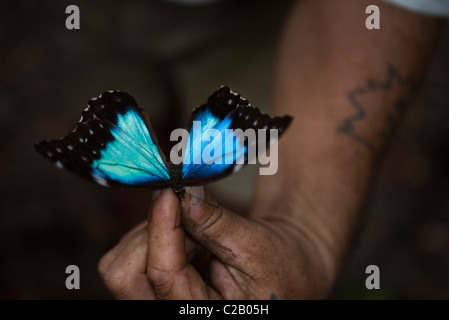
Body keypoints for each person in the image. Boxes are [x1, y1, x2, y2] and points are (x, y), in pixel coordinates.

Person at [96, 0, 447, 299]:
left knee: (229, 207)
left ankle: (189, 261)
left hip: (251, 22)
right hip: (95, 22)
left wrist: (305, 235)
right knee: (134, 177)